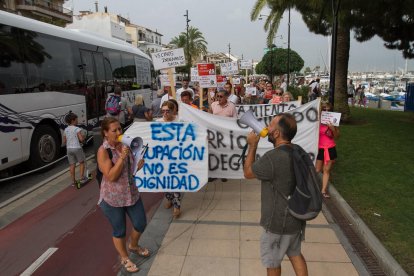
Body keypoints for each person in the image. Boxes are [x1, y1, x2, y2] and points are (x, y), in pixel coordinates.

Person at [243, 113, 308, 276]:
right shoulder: (297, 150)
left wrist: (252, 146)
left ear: (277, 134)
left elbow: (248, 173)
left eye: (271, 125)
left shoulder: (273, 157)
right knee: (295, 254)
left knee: (272, 261)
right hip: (296, 217)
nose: (267, 128)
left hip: (276, 222)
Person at [97, 117, 149, 273]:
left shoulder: (125, 144)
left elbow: (129, 171)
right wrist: (121, 157)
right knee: (119, 230)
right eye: (115, 130)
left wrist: (138, 166)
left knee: (140, 223)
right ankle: (124, 257)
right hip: (112, 199)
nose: (119, 132)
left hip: (131, 193)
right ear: (106, 133)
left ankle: (133, 245)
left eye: (120, 128)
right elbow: (111, 176)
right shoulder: (103, 151)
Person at [156, 101, 182, 218]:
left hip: (177, 157)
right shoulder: (158, 123)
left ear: (173, 111)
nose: (165, 113)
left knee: (176, 181)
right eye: (163, 111)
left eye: (168, 111)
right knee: (166, 181)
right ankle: (169, 199)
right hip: (163, 158)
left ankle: (177, 206)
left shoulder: (180, 122)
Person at [316, 103, 340, 198]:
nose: (326, 110)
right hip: (319, 148)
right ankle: (308, 187)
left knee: (326, 170)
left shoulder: (334, 121)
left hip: (330, 148)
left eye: (328, 109)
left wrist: (332, 129)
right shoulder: (317, 121)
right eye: (324, 109)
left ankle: (323, 190)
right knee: (317, 169)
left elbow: (337, 136)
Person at [63, 112, 87, 186]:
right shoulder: (77, 129)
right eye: (76, 120)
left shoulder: (66, 130)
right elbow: (81, 139)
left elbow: (64, 141)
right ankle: (82, 177)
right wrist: (83, 137)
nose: (77, 121)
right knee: (81, 162)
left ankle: (73, 181)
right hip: (77, 147)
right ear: (73, 120)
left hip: (69, 149)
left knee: (72, 164)